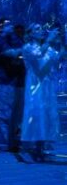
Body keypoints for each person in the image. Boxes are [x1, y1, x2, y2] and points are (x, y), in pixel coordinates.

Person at [20, 26, 61, 161]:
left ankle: (42, 146)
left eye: (41, 29)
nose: (41, 31)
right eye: (37, 30)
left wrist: (62, 42)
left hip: (47, 84)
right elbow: (38, 55)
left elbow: (59, 57)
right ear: (30, 33)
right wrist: (49, 40)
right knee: (35, 113)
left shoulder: (48, 48)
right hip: (34, 84)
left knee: (47, 113)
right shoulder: (27, 47)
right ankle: (32, 147)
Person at [0, 19, 24, 152]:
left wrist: (13, 35)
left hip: (10, 81)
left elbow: (20, 46)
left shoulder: (10, 39)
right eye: (7, 25)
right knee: (2, 114)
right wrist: (30, 49)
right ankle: (3, 145)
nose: (11, 27)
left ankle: (11, 142)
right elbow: (13, 53)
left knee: (12, 114)